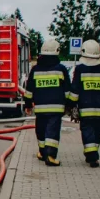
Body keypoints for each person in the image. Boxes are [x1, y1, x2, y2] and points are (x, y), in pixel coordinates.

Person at [68, 40, 100, 168]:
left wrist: (71, 105)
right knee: (98, 131)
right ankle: (93, 153)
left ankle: (92, 156)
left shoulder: (80, 69)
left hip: (85, 109)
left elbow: (75, 90)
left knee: (87, 131)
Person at [22, 38, 70, 166]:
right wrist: (69, 106)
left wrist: (27, 105)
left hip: (40, 108)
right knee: (52, 131)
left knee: (41, 130)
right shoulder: (61, 69)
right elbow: (67, 91)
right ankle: (50, 156)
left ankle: (43, 152)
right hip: (56, 109)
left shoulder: (35, 69)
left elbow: (29, 90)